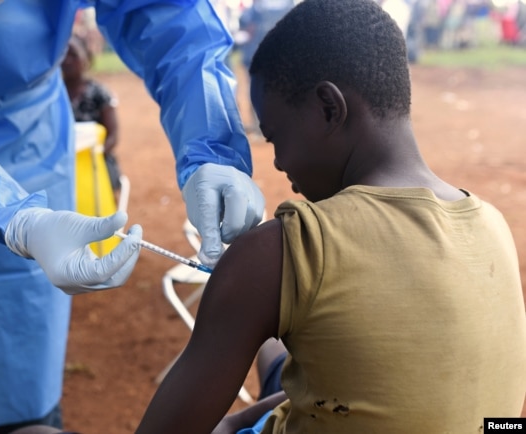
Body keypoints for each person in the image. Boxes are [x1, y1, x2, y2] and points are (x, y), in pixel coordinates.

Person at [133, 1, 526, 433]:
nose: (280, 162)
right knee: (270, 347)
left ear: (328, 107)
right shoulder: (491, 225)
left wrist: (228, 427)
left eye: (276, 136)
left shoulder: (289, 248)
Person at [0, 0, 264, 433]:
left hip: (30, 143)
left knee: (23, 374)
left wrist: (211, 144)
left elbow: (170, 17)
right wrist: (16, 217)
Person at [61, 34, 123, 193]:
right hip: (62, 165)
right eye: (63, 55)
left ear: (86, 58)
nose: (67, 60)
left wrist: (93, 156)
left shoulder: (99, 94)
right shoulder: (54, 97)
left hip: (96, 163)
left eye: (73, 55)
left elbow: (113, 136)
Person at [237, 0, 295, 135]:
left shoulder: (257, 6)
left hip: (259, 54)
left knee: (258, 90)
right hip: (281, 54)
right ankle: (282, 127)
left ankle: (260, 129)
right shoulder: (288, 4)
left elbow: (246, 23)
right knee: (283, 89)